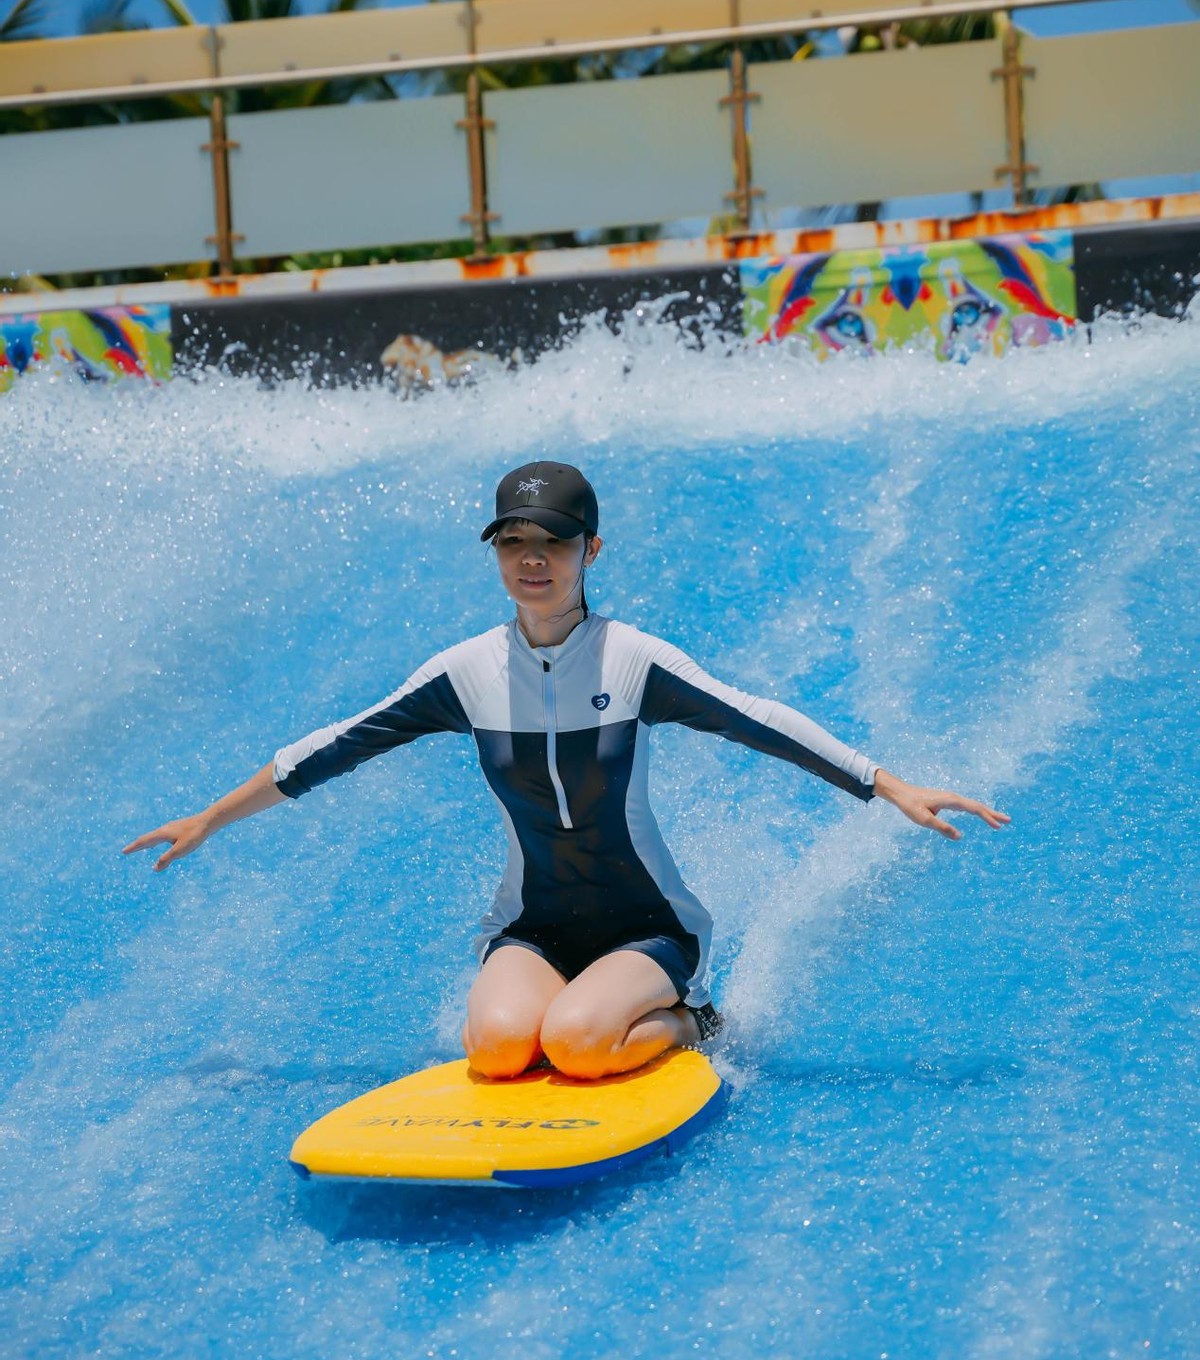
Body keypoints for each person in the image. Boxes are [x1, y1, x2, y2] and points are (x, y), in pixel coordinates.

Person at [125, 460, 1009, 1082]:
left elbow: (759, 719)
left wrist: (887, 783)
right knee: (503, 1052)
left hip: (648, 927)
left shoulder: (632, 660)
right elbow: (332, 747)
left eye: (553, 540)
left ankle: (694, 1019)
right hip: (532, 929)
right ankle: (567, 1010)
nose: (532, 559)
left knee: (582, 1047)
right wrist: (210, 816)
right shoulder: (467, 672)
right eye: (513, 541)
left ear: (592, 548)